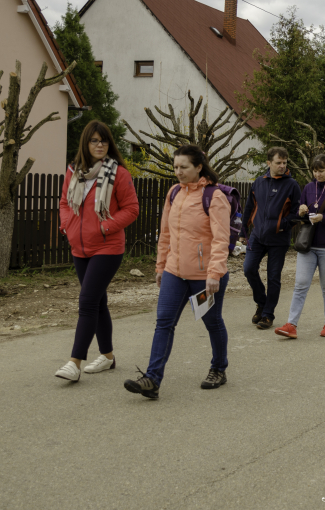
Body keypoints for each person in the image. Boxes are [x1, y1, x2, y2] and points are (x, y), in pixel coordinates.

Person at [124, 145, 231, 399]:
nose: (178, 172)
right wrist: (161, 266)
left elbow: (220, 239)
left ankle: (219, 368)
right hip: (175, 272)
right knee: (164, 323)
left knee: (212, 322)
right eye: (175, 167)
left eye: (184, 167)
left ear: (198, 167)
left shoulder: (213, 196)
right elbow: (166, 234)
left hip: (204, 277)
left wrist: (214, 273)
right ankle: (152, 379)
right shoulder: (174, 193)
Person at [55, 121, 139, 382]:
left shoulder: (120, 174)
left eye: (103, 140)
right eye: (94, 140)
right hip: (79, 248)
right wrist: (67, 225)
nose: (100, 145)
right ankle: (108, 357)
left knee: (88, 301)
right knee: (99, 303)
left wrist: (106, 227)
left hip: (107, 247)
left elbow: (131, 209)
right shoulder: (74, 171)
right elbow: (65, 202)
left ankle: (74, 363)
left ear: (109, 143)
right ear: (86, 144)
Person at [275, 155, 325, 339]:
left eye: (321, 170)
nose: (317, 174)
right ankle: (291, 324)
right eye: (315, 171)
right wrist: (301, 211)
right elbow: (302, 214)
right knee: (300, 284)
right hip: (308, 244)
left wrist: (323, 218)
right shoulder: (308, 187)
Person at [240, 147, 301, 330]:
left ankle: (267, 314)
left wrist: (281, 225)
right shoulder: (258, 182)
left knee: (273, 277)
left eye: (284, 163)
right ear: (269, 163)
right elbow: (249, 207)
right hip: (257, 236)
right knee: (248, 269)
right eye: (278, 163)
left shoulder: (292, 185)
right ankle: (262, 302)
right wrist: (244, 231)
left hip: (279, 238)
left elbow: (296, 213)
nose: (282, 166)